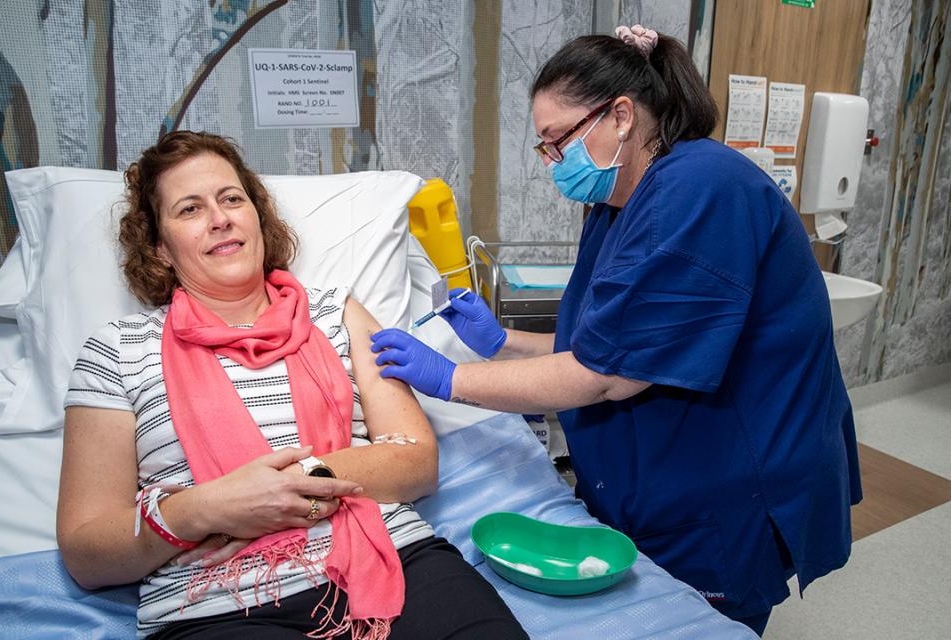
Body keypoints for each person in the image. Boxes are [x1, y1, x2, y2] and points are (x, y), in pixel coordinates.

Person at [369, 25, 862, 637]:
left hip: (729, 467)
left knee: (710, 615)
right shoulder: (619, 203)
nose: (552, 163)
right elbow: (610, 341)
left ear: (621, 115)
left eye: (557, 142)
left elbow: (606, 376)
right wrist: (502, 342)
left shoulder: (701, 191)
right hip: (662, 465)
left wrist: (451, 379)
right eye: (544, 148)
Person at [56, 131, 528, 640]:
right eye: (190, 209)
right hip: (216, 605)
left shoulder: (337, 313)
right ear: (160, 248)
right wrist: (207, 508)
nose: (220, 218)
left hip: (391, 559)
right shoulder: (116, 352)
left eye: (232, 199)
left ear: (257, 216)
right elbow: (87, 551)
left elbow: (415, 461)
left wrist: (293, 481)